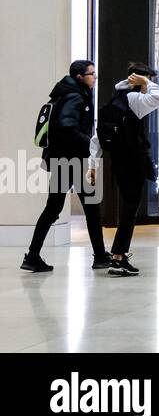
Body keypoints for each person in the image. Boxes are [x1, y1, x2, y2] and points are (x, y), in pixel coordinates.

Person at [23, 61, 110, 273]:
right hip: (73, 161)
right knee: (91, 207)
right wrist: (89, 143)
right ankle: (99, 256)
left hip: (61, 160)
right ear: (80, 76)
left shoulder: (64, 93)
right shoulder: (75, 96)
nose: (94, 78)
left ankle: (32, 256)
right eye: (91, 74)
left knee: (53, 209)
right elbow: (66, 125)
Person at [98, 64, 159, 277]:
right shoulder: (134, 100)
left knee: (128, 209)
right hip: (132, 162)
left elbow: (97, 137)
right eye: (148, 80)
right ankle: (118, 257)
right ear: (138, 80)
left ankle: (119, 255)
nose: (149, 85)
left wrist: (93, 164)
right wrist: (145, 82)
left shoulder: (116, 98)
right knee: (129, 210)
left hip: (119, 161)